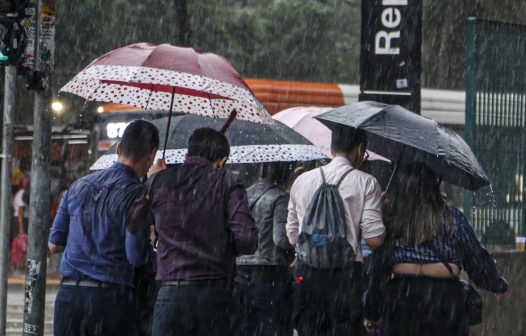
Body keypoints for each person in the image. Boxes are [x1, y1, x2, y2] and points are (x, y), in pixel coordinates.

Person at [127, 127, 258, 336]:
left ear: (187, 156)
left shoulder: (159, 181)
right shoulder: (228, 181)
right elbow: (246, 239)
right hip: (216, 297)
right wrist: (221, 246)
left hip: (171, 296)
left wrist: (151, 183)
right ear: (222, 160)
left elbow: (134, 224)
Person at [363, 162, 508, 336]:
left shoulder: (393, 220)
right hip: (445, 301)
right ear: (434, 187)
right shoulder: (453, 218)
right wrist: (496, 283)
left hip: (401, 299)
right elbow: (475, 256)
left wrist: (371, 311)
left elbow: (378, 269)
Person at [48, 120, 160, 336]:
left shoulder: (77, 186)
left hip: (69, 298)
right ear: (152, 155)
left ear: (118, 148)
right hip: (111, 301)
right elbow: (135, 255)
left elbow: (54, 245)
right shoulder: (139, 196)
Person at [286, 127, 385, 336]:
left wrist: (318, 244)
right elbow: (374, 240)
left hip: (307, 273)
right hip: (346, 277)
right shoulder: (367, 182)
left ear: (331, 149)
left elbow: (293, 236)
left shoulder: (302, 180)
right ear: (359, 150)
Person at [234, 162, 295, 336]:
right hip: (270, 274)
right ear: (285, 172)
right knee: (273, 327)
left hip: (241, 271)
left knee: (245, 327)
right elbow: (281, 238)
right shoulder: (280, 197)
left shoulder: (243, 194)